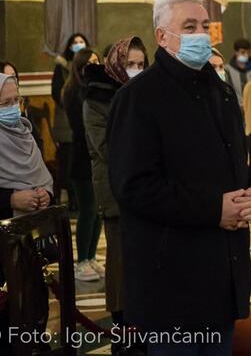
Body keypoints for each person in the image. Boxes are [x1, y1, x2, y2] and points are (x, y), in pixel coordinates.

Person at [108, 0, 251, 355]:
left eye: (205, 26)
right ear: (162, 36)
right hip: (171, 279)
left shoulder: (221, 92)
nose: (201, 34)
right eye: (189, 26)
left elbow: (233, 165)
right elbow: (134, 188)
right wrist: (213, 210)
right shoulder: (139, 97)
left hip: (220, 274)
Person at [83, 36, 146, 351]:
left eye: (140, 64)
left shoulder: (147, 94)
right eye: (129, 64)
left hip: (149, 193)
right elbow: (105, 149)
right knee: (121, 264)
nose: (135, 70)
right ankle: (125, 329)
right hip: (117, 192)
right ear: (115, 65)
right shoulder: (96, 99)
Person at [0, 72, 55, 355]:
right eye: (4, 103)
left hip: (27, 248)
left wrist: (44, 194)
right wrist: (11, 198)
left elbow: (43, 176)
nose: (13, 108)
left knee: (31, 314)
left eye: (17, 100)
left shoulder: (24, 132)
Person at [62, 46, 102, 283]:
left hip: (93, 156)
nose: (94, 66)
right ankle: (81, 261)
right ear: (79, 67)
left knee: (98, 211)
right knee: (87, 210)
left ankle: (91, 255)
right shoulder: (75, 91)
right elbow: (81, 127)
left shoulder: (93, 90)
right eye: (90, 63)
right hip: (81, 158)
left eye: (97, 61)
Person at [52, 33, 90, 209]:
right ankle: (73, 200)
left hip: (84, 126)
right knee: (69, 162)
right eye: (75, 42)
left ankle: (78, 200)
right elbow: (56, 92)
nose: (78, 45)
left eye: (81, 42)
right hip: (67, 122)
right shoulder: (61, 67)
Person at [226, 38, 251, 104]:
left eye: (248, 52)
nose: (246, 55)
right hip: (234, 105)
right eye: (243, 52)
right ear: (236, 52)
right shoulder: (227, 69)